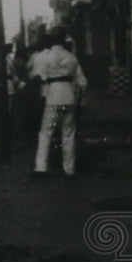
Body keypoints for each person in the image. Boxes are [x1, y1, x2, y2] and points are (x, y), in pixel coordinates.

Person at [32, 26, 87, 178]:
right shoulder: (72, 57)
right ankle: (69, 169)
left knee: (46, 133)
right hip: (69, 97)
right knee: (68, 134)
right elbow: (82, 82)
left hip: (52, 97)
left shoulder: (45, 57)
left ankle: (41, 167)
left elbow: (39, 76)